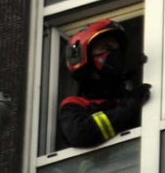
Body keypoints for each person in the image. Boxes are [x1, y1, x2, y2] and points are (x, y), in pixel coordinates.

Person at [58, 19, 151, 148]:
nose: (115, 54)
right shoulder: (74, 105)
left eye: (117, 49)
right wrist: (129, 108)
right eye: (107, 48)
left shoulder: (130, 97)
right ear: (85, 58)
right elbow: (81, 133)